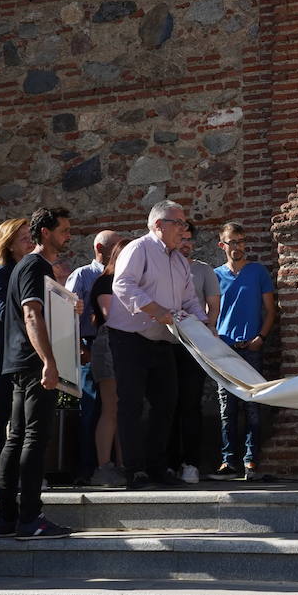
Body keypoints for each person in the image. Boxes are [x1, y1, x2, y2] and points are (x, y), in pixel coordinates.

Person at [108, 200, 207, 490]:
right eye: (179, 223)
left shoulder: (178, 260)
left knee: (167, 404)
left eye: (185, 223)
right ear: (158, 225)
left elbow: (189, 300)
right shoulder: (138, 249)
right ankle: (134, 471)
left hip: (164, 340)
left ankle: (157, 468)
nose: (184, 229)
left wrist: (204, 325)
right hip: (130, 339)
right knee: (131, 404)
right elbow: (123, 285)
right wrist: (157, 310)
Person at [0, 206, 75, 539]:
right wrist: (49, 361)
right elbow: (31, 315)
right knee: (32, 438)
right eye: (63, 230)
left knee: (17, 438)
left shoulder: (26, 266)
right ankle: (29, 517)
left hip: (21, 362)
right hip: (33, 364)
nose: (68, 236)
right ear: (46, 232)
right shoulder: (36, 264)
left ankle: (7, 519)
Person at [210, 222, 275, 482]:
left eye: (241, 241)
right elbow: (209, 313)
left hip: (252, 346)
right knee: (226, 407)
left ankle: (251, 460)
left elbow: (270, 310)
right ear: (221, 245)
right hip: (223, 349)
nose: (237, 247)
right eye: (231, 242)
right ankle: (228, 461)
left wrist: (261, 337)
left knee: (252, 405)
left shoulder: (258, 271)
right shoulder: (214, 275)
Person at [0, 217, 33, 495]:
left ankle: (22, 469)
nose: (30, 240)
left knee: (24, 410)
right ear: (9, 243)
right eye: (23, 236)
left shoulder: (32, 269)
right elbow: (2, 309)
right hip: (2, 346)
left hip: (25, 347)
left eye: (30, 235)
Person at [66, 230, 120, 485]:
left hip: (113, 345)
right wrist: (78, 348)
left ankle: (112, 466)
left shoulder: (119, 275)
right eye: (116, 245)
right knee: (91, 408)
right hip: (89, 345)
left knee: (113, 409)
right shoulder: (82, 275)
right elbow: (67, 314)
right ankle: (86, 470)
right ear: (100, 247)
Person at [170, 222, 220, 484]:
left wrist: (208, 330)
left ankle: (191, 464)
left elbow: (213, 306)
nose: (186, 243)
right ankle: (167, 464)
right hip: (165, 343)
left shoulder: (203, 271)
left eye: (190, 239)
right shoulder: (162, 268)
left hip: (193, 346)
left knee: (190, 404)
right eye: (182, 239)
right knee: (166, 404)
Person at [87, 239, 128, 487]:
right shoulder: (105, 281)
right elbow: (110, 316)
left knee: (125, 410)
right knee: (111, 407)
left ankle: (125, 465)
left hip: (129, 347)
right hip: (109, 345)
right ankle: (103, 467)